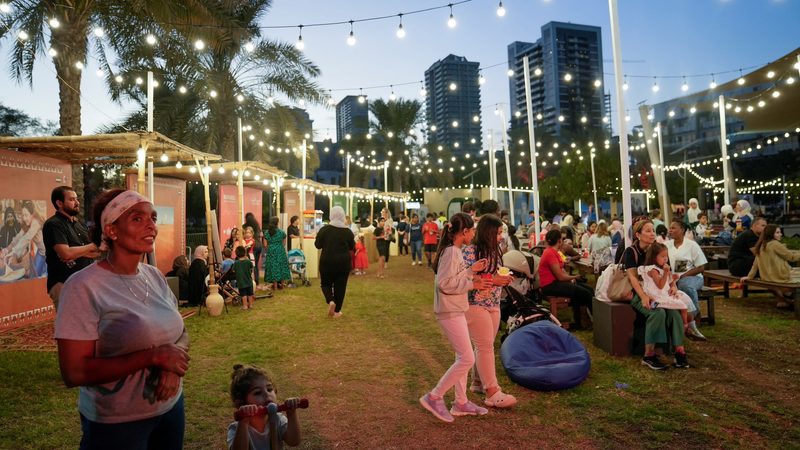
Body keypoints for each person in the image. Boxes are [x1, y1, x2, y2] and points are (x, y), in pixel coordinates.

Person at [54, 188, 189, 448]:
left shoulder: (154, 276)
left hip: (171, 409)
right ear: (111, 230)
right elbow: (74, 372)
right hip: (117, 424)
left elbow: (180, 331)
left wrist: (172, 366)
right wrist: (153, 357)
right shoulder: (83, 287)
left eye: (152, 218)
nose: (150, 225)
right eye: (137, 218)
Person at [419, 212, 491, 422]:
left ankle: (461, 402)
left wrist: (470, 271)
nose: (474, 234)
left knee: (463, 357)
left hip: (455, 309)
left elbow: (453, 277)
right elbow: (444, 284)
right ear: (465, 232)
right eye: (473, 230)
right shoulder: (452, 252)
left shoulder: (456, 251)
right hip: (449, 310)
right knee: (467, 358)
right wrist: (472, 283)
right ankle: (434, 396)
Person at [463, 214, 516, 408]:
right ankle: (492, 392)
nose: (501, 237)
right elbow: (466, 279)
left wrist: (503, 278)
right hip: (475, 304)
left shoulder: (495, 251)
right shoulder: (470, 252)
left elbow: (493, 274)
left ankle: (477, 382)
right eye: (498, 233)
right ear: (488, 233)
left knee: (484, 345)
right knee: (485, 346)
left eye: (502, 233)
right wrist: (495, 280)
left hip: (493, 303)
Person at [623, 219, 690, 370]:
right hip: (639, 293)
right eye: (647, 230)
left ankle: (680, 352)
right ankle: (649, 355)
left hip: (661, 293)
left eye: (653, 230)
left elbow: (669, 272)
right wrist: (643, 297)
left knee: (674, 312)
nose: (652, 233)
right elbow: (633, 277)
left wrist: (673, 286)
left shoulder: (659, 249)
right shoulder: (631, 252)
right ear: (638, 234)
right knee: (657, 313)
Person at [42, 186, 100, 309]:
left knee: (87, 324)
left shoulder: (79, 224)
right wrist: (87, 248)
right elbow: (66, 253)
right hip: (64, 282)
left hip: (86, 282)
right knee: (70, 325)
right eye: (72, 200)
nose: (77, 203)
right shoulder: (53, 224)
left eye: (77, 199)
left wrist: (75, 252)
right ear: (59, 203)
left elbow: (95, 252)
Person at [228, 364, 302, 450]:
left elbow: (294, 441)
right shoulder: (236, 429)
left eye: (269, 389)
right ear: (242, 403)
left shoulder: (278, 419)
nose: (267, 394)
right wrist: (243, 423)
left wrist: (291, 414)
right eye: (258, 393)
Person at [538, 229, 594, 329]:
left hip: (555, 283)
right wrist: (574, 277)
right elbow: (560, 276)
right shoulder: (550, 253)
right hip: (550, 286)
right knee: (586, 293)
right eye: (562, 240)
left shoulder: (552, 252)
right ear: (559, 241)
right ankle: (597, 320)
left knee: (587, 290)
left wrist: (571, 279)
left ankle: (581, 322)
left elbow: (560, 272)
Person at [638, 243, 697, 335]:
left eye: (666, 256)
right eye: (662, 256)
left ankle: (689, 325)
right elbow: (660, 285)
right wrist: (665, 273)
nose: (665, 258)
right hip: (657, 296)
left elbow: (670, 282)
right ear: (654, 257)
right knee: (683, 306)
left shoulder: (664, 268)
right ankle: (685, 326)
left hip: (666, 293)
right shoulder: (653, 270)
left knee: (685, 304)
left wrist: (673, 284)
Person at [666, 220, 708, 340]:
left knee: (685, 286)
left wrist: (683, 276)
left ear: (682, 230)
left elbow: (701, 267)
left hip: (692, 277)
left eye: (673, 228)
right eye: (670, 228)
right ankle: (686, 323)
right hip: (672, 279)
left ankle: (691, 322)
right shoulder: (666, 245)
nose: (670, 230)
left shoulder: (692, 245)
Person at [741, 225, 800, 307]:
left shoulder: (761, 245)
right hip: (780, 277)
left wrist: (749, 277)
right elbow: (792, 257)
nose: (781, 234)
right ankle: (788, 296)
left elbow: (755, 264)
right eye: (777, 232)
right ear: (771, 234)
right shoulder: (775, 244)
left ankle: (784, 300)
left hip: (767, 277)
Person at [315, 206, 355, 317]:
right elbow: (352, 247)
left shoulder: (324, 230)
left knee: (325, 284)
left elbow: (317, 245)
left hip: (327, 261)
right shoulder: (348, 231)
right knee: (341, 286)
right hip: (343, 263)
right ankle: (337, 311)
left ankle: (330, 301)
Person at [1, 200, 46, 279]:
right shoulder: (26, 224)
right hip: (41, 251)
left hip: (48, 253)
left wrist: (14, 252)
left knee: (36, 277)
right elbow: (18, 237)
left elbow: (26, 238)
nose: (24, 218)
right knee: (34, 275)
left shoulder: (36, 223)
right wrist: (7, 249)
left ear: (32, 215)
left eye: (26, 215)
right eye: (23, 215)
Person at [263, 217, 292, 291]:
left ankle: (275, 287)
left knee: (273, 268)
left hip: (271, 251)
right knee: (281, 267)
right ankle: (282, 286)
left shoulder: (266, 233)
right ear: (277, 223)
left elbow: (265, 245)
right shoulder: (281, 232)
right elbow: (284, 243)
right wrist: (279, 246)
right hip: (280, 251)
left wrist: (271, 248)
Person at [243, 213, 265, 290]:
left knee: (251, 265)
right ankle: (257, 281)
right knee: (255, 265)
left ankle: (251, 281)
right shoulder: (257, 225)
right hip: (259, 245)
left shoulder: (245, 227)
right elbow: (261, 235)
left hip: (252, 248)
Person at [233, 246, 254, 310]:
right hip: (249, 281)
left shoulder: (236, 263)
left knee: (243, 294)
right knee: (250, 294)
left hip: (241, 282)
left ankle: (245, 306)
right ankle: (250, 305)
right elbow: (252, 267)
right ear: (245, 253)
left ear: (236, 254)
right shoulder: (248, 262)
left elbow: (233, 270)